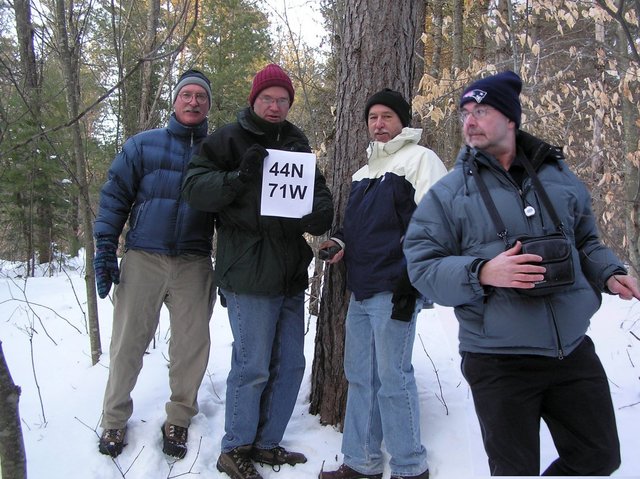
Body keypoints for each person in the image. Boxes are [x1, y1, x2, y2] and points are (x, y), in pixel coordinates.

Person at [404, 71, 640, 476]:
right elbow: (421, 264)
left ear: (511, 119)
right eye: (465, 113)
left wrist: (608, 273)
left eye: (482, 111)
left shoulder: (559, 177)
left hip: (570, 350)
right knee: (515, 472)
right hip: (499, 359)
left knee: (600, 456)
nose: (470, 121)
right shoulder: (449, 193)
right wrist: (482, 272)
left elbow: (585, 241)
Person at [181, 63, 334, 479]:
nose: (274, 105)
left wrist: (320, 211)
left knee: (291, 364)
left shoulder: (297, 142)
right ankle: (235, 447)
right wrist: (237, 176)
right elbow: (194, 189)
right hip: (247, 272)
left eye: (282, 99)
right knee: (252, 366)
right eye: (267, 98)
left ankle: (267, 442)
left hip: (288, 273)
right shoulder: (227, 139)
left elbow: (317, 194)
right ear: (254, 100)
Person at [318, 88, 447, 479]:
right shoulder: (363, 172)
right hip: (361, 289)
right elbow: (357, 229)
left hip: (396, 288)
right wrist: (339, 242)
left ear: (402, 121)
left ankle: (410, 468)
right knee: (360, 378)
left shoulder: (421, 160)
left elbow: (437, 224)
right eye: (373, 117)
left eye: (387, 117)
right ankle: (361, 463)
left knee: (393, 379)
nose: (379, 124)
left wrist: (413, 283)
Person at [93, 69, 216, 460]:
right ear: (175, 100)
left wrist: (228, 267)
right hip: (144, 256)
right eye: (187, 95)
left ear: (209, 105)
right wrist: (104, 249)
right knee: (127, 344)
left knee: (190, 347)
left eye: (201, 96)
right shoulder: (142, 146)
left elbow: (231, 215)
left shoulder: (217, 153)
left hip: (195, 261)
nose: (193, 101)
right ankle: (113, 420)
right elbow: (115, 198)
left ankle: (178, 417)